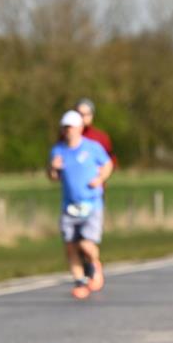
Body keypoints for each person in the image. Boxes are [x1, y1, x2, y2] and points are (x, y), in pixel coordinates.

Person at [48, 110, 113, 299]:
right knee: (70, 245)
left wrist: (100, 178)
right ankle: (80, 282)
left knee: (85, 244)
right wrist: (53, 168)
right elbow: (53, 177)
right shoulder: (58, 150)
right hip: (69, 205)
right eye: (65, 127)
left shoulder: (92, 148)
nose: (67, 131)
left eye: (71, 127)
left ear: (79, 128)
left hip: (91, 203)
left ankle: (93, 263)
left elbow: (107, 164)